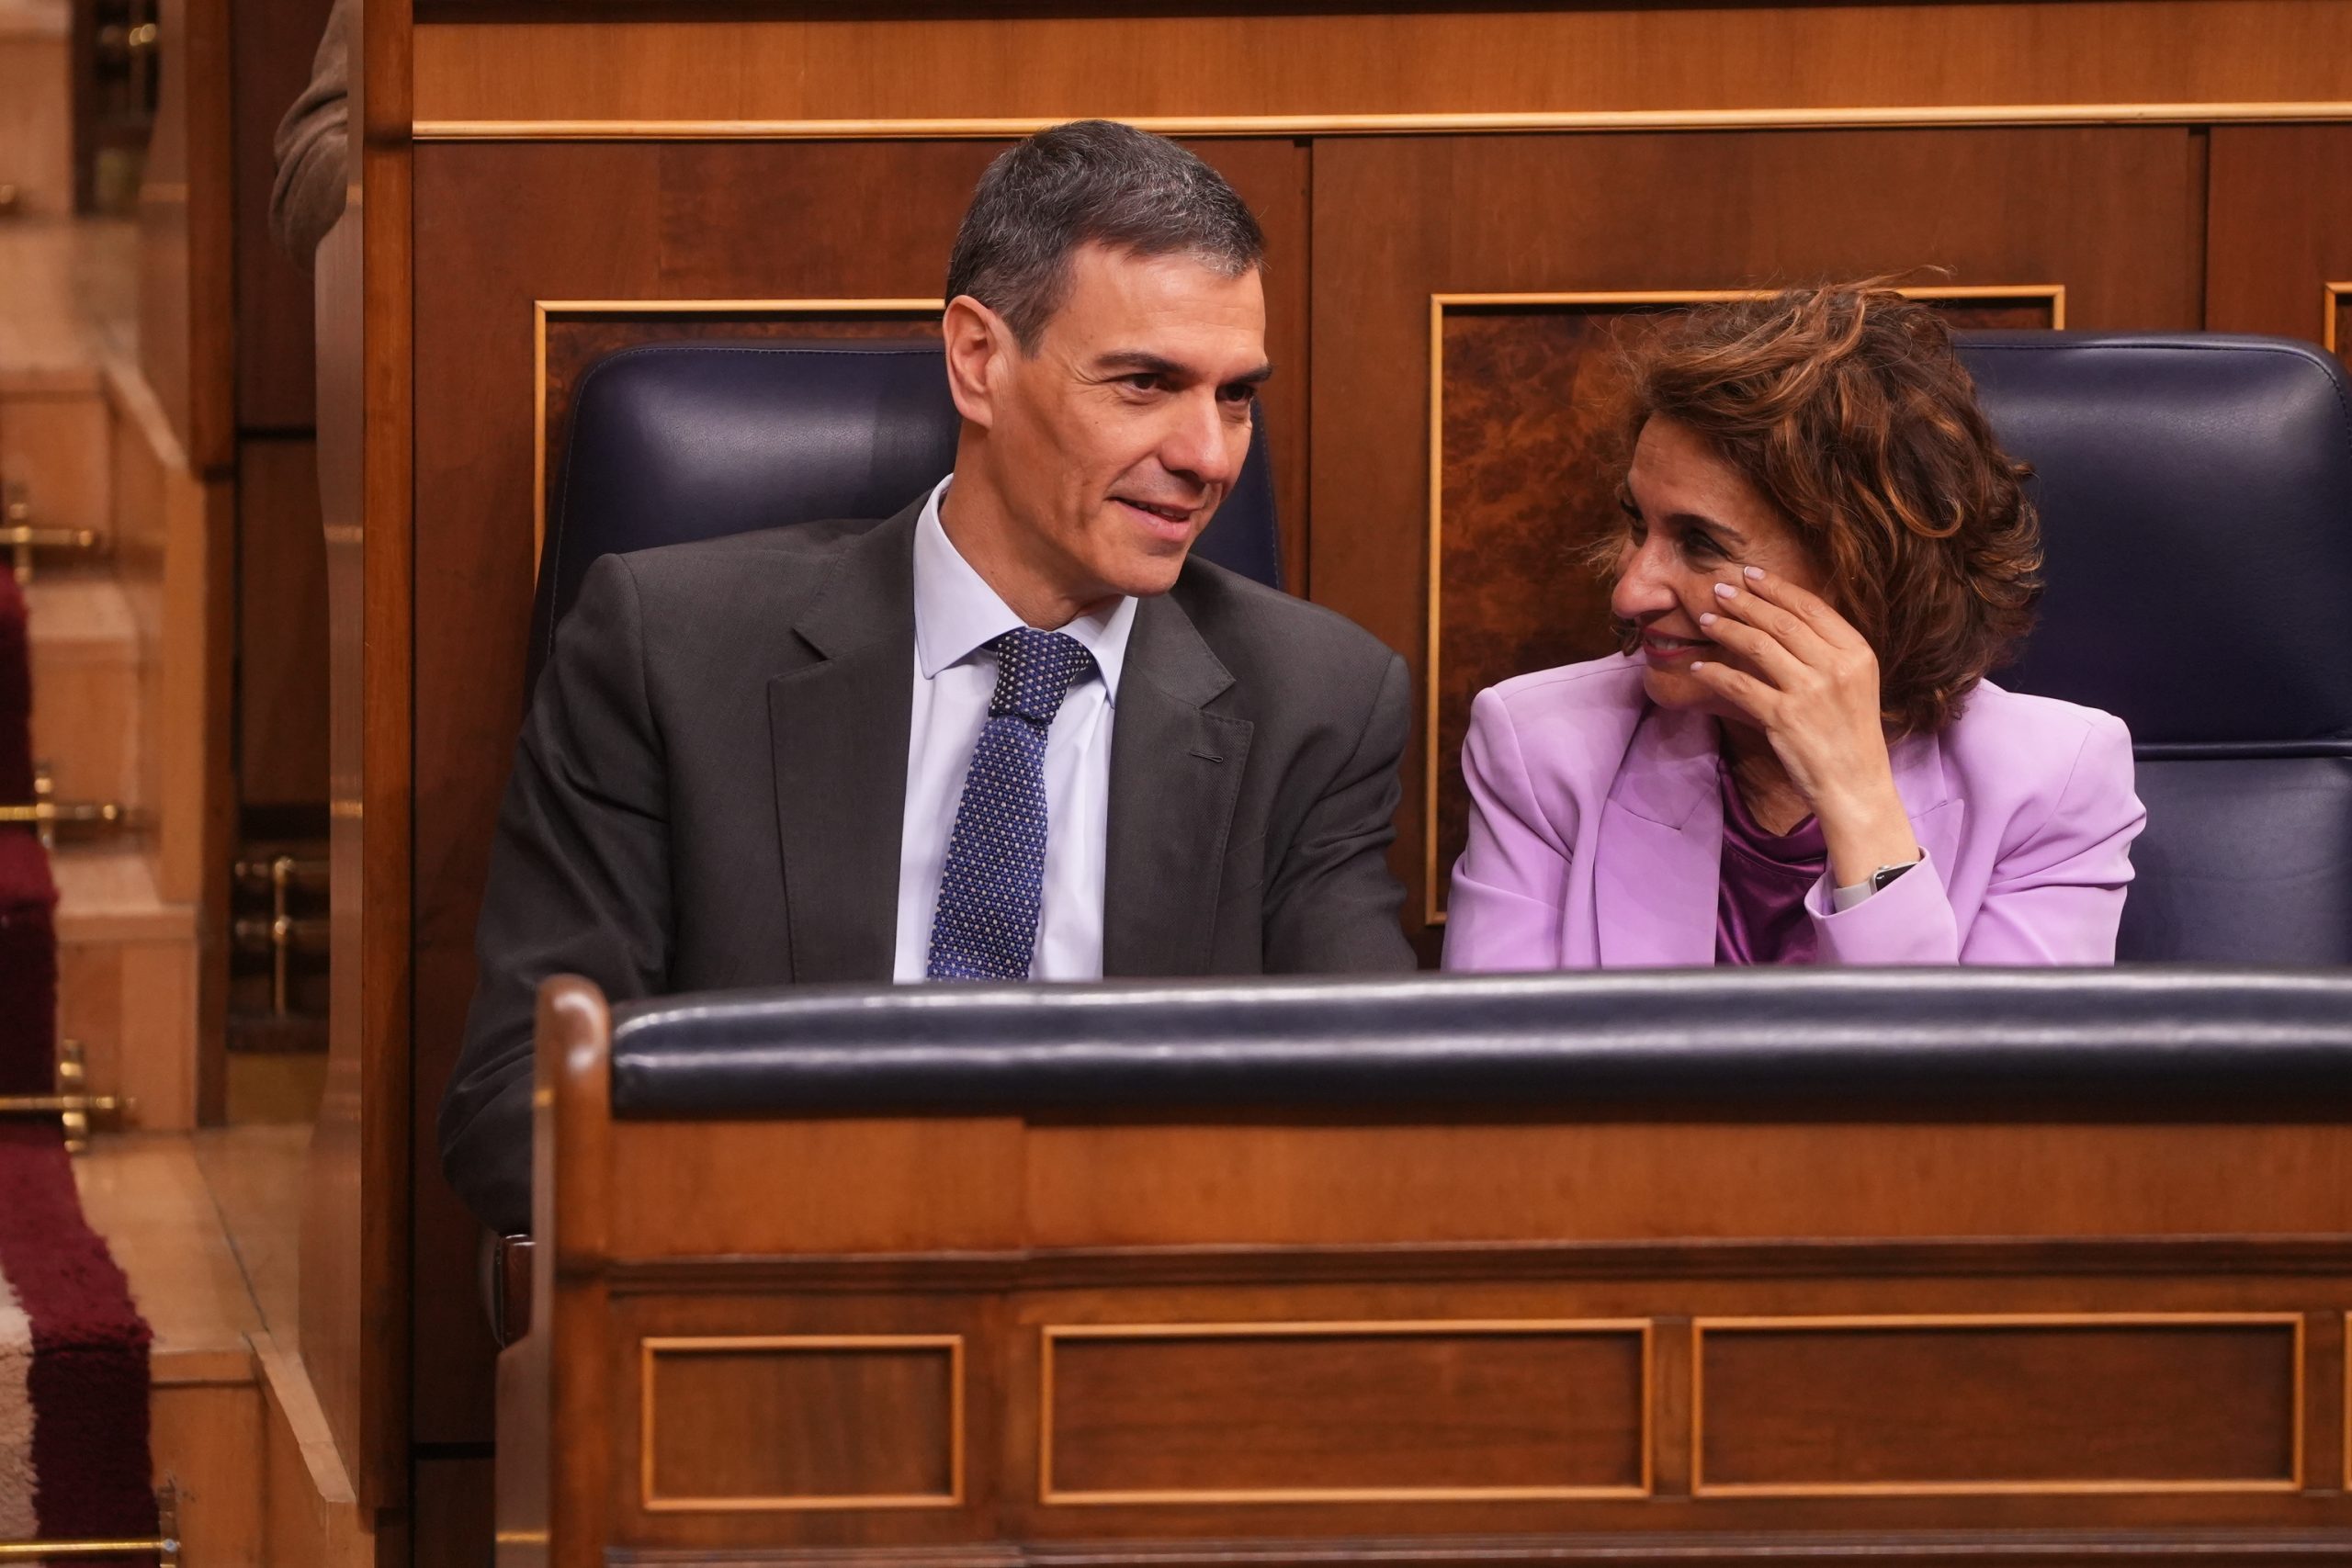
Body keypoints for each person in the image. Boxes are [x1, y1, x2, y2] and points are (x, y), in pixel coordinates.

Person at [442, 121, 1416, 1236]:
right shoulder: (669, 650)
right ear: (978, 360)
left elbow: (1363, 1115)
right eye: (1144, 384)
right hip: (780, 1321)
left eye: (1234, 396)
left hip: (1136, 1333)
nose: (1208, 456)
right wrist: (883, 1230)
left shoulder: (1321, 703)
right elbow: (521, 1104)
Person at [1442, 282, 2143, 972]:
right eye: (1638, 524)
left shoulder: (2053, 783)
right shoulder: (1541, 748)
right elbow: (1491, 1074)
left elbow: (1980, 1081)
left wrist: (1857, 797)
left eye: (1701, 543)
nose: (1631, 592)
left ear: (1862, 564)